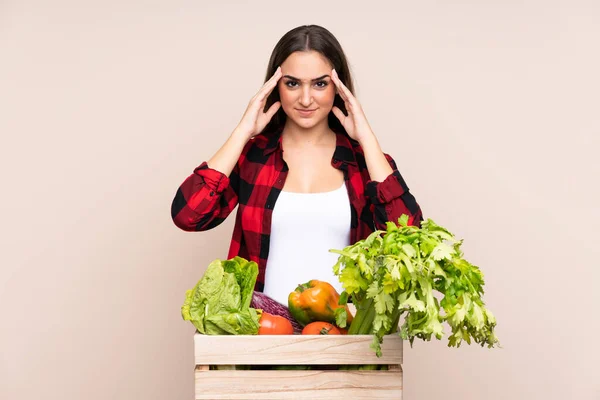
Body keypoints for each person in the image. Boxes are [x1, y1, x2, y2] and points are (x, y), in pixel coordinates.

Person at [171, 25, 423, 306]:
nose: (305, 99)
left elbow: (409, 240)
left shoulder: (367, 164)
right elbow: (188, 215)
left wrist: (366, 137)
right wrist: (243, 131)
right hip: (263, 333)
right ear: (275, 86)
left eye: (320, 83)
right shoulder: (253, 157)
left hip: (345, 335)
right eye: (292, 83)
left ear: (338, 88)